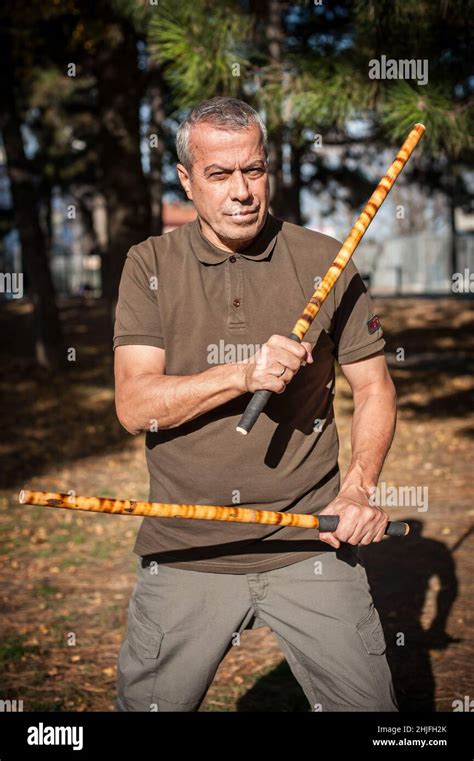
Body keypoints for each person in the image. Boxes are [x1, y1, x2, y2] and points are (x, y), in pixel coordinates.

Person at [113, 96, 398, 712]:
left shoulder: (328, 259)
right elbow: (135, 406)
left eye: (254, 170)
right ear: (187, 181)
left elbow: (374, 387)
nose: (242, 191)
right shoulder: (149, 265)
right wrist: (240, 374)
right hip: (188, 547)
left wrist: (359, 489)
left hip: (309, 541)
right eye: (219, 175)